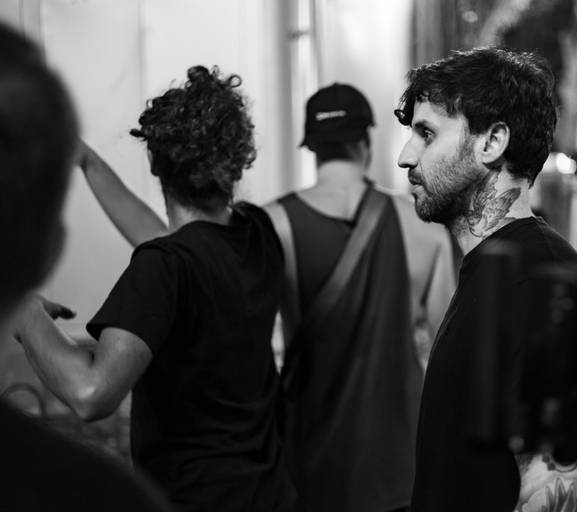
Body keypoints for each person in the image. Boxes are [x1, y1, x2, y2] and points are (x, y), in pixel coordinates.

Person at [13, 65, 295, 511]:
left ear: (155, 163)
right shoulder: (256, 232)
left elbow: (90, 394)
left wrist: (23, 310)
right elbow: (172, 239)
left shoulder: (166, 265)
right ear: (237, 158)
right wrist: (88, 162)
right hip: (268, 495)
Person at [395, 47, 577, 511]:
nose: (406, 157)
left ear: (491, 142)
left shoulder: (544, 282)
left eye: (427, 133)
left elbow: (565, 488)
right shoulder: (495, 268)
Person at [0, 21, 170, 511]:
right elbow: (89, 391)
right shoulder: (256, 235)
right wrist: (24, 307)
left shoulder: (175, 260)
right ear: (51, 251)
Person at [262, 83, 455, 512]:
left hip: (307, 454)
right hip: (397, 462)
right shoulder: (423, 227)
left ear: (312, 147)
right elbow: (448, 357)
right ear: (365, 142)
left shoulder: (273, 224)